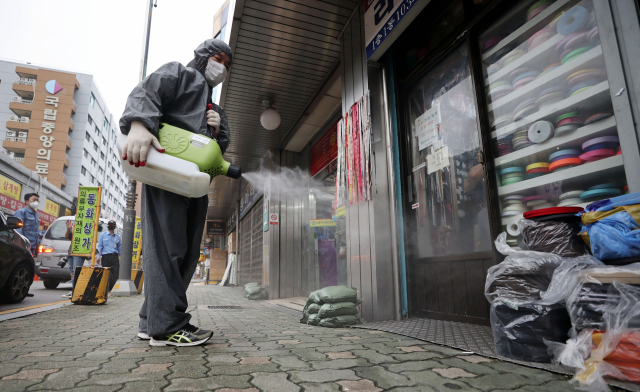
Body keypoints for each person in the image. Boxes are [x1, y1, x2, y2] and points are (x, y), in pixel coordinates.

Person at [119, 39, 232, 347]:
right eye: (217, 58)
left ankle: (151, 320)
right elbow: (148, 91)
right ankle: (168, 327)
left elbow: (219, 150)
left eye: (226, 62)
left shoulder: (214, 107)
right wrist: (140, 125)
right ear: (203, 57)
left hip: (194, 182)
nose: (220, 66)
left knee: (185, 252)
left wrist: (218, 129)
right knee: (167, 248)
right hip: (168, 174)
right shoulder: (179, 75)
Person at [62, 219, 87, 299]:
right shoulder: (74, 227)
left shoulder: (85, 228)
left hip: (79, 252)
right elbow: (67, 236)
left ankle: (77, 291)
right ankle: (74, 290)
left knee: (77, 272)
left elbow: (77, 235)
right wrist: (68, 228)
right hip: (71, 252)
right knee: (72, 272)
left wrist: (72, 228)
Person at [96, 220, 121, 291]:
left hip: (115, 257)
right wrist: (98, 257)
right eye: (109, 225)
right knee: (105, 273)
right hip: (106, 257)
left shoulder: (117, 237)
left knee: (116, 273)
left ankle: (114, 289)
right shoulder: (103, 235)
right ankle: (105, 288)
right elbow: (100, 247)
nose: (110, 226)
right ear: (107, 226)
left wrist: (123, 256)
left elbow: (119, 248)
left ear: (115, 227)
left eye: (112, 225)